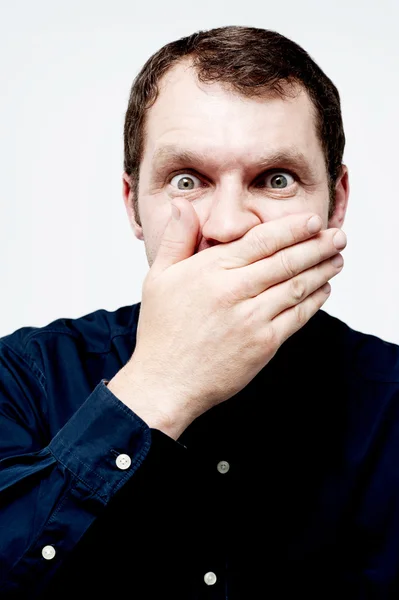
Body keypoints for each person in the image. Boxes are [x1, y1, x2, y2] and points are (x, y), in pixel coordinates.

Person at [0, 24, 397, 599]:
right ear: (133, 205)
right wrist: (158, 387)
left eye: (275, 180)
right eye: (187, 180)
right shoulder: (22, 379)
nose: (228, 225)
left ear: (336, 203)